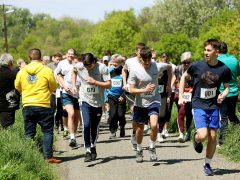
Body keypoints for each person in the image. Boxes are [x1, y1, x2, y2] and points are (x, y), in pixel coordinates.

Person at [178, 39, 231, 176]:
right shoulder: (197, 66)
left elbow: (227, 88)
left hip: (213, 106)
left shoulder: (224, 69)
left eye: (209, 50)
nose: (205, 53)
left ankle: (207, 164)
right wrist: (181, 96)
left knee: (213, 137)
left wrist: (223, 95)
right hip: (198, 104)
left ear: (217, 52)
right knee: (203, 135)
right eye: (205, 50)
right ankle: (196, 138)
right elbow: (184, 77)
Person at [15, 48, 61, 163]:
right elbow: (53, 87)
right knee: (47, 131)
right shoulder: (46, 70)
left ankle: (28, 158)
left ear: (29, 58)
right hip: (43, 105)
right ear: (40, 58)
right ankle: (48, 157)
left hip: (28, 105)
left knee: (29, 133)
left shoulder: (22, 71)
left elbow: (17, 86)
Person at [128, 46, 172, 163]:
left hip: (154, 100)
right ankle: (139, 149)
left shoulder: (156, 66)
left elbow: (170, 66)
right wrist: (144, 90)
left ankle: (152, 147)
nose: (147, 63)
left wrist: (169, 84)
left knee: (154, 126)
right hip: (140, 103)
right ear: (140, 59)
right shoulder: (134, 70)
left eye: (149, 60)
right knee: (139, 130)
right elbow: (131, 90)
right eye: (145, 60)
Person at [72, 53, 111, 162]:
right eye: (86, 66)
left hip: (98, 102)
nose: (88, 68)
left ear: (94, 61)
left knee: (94, 127)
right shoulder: (80, 66)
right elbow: (74, 71)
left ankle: (93, 145)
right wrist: (74, 85)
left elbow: (109, 85)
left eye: (90, 66)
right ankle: (88, 150)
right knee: (86, 124)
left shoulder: (102, 68)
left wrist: (95, 82)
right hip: (84, 100)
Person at [54, 48, 81, 147]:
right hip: (66, 92)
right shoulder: (62, 63)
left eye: (72, 54)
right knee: (71, 113)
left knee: (77, 117)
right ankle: (72, 137)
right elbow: (58, 75)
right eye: (69, 54)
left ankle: (73, 132)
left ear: (75, 56)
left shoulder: (79, 64)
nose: (70, 55)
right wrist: (63, 85)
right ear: (66, 54)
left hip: (78, 94)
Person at [122, 42, 146, 150]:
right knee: (135, 112)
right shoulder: (129, 61)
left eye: (143, 51)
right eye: (139, 51)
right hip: (131, 91)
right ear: (136, 51)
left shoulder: (147, 61)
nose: (141, 53)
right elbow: (124, 70)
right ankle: (134, 136)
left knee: (139, 117)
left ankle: (134, 134)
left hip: (142, 92)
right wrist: (124, 83)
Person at [218, 42, 240, 146]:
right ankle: (238, 132)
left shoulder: (217, 61)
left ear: (217, 51)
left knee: (223, 117)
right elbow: (238, 74)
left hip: (222, 93)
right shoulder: (235, 60)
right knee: (231, 114)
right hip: (234, 92)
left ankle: (223, 142)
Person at [174, 52, 193, 142]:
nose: (186, 64)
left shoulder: (194, 69)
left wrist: (192, 89)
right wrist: (178, 87)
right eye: (184, 62)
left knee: (189, 114)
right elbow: (176, 80)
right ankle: (181, 133)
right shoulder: (178, 68)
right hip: (181, 93)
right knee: (181, 111)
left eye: (188, 62)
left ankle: (188, 133)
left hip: (191, 93)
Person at [107, 54, 126, 139]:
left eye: (117, 62)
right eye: (113, 62)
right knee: (113, 113)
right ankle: (113, 131)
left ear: (121, 62)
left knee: (121, 114)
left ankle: (122, 126)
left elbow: (128, 84)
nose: (114, 64)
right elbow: (105, 83)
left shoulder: (125, 71)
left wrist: (123, 96)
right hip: (111, 95)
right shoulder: (109, 71)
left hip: (121, 95)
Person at [0, 53, 20, 128]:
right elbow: (18, 88)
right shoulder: (13, 74)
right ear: (10, 63)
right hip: (9, 106)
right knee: (7, 128)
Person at [47, 53, 64, 132]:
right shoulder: (49, 66)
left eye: (60, 59)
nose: (58, 61)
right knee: (54, 108)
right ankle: (55, 123)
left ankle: (61, 124)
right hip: (53, 90)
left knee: (61, 108)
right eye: (57, 59)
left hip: (61, 89)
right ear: (53, 58)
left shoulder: (63, 65)